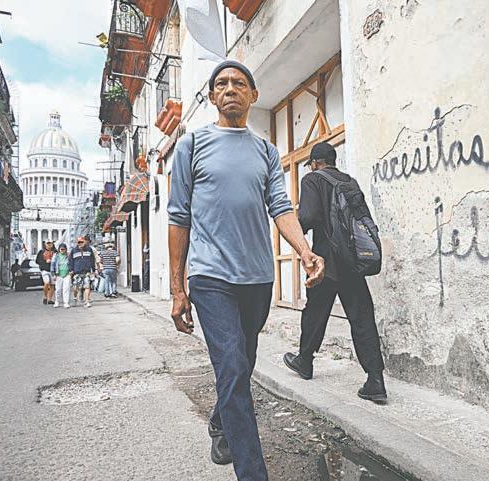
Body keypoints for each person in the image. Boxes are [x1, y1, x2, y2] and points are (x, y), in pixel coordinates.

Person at [168, 60, 325, 481]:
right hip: (210, 277)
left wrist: (305, 251)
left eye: (239, 83)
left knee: (242, 361)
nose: (230, 89)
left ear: (253, 95)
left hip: (257, 277)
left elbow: (281, 206)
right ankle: (252, 472)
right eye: (221, 83)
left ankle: (222, 422)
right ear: (212, 96)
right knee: (233, 364)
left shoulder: (266, 151)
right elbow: (178, 217)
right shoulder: (191, 145)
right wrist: (178, 288)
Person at [282, 142, 388, 403]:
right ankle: (375, 379)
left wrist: (295, 230)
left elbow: (308, 216)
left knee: (315, 312)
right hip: (352, 261)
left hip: (325, 261)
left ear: (315, 163)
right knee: (362, 317)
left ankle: (305, 360)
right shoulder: (349, 182)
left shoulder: (312, 180)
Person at [70, 236, 96, 308]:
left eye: (82, 242)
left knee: (87, 287)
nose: (80, 243)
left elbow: (92, 260)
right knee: (76, 288)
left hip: (86, 271)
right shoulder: (73, 250)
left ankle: (87, 301)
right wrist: (71, 270)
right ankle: (75, 299)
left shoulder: (89, 249)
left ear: (84, 242)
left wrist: (93, 270)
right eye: (79, 242)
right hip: (77, 272)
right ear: (77, 242)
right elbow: (71, 261)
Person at [35, 240, 56, 305]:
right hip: (44, 270)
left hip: (53, 271)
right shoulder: (41, 252)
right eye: (48, 243)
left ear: (52, 244)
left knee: (52, 285)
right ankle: (45, 297)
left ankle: (50, 299)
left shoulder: (55, 252)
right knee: (46, 282)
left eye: (50, 243)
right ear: (45, 244)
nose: (49, 245)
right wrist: (45, 261)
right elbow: (37, 261)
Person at [51, 243, 72, 308]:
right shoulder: (56, 255)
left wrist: (71, 271)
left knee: (66, 289)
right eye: (61, 249)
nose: (62, 250)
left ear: (66, 249)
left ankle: (66, 303)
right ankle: (57, 301)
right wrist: (53, 274)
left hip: (67, 274)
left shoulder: (68, 255)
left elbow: (71, 263)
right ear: (59, 249)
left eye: (63, 249)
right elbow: (52, 265)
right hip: (58, 274)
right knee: (58, 289)